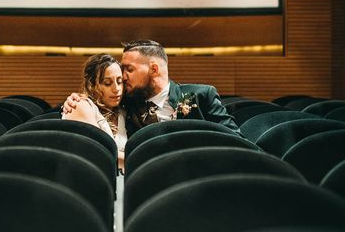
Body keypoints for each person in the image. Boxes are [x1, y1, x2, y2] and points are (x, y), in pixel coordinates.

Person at [65, 40, 240, 137]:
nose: (123, 76)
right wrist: (76, 98)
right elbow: (97, 98)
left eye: (129, 69)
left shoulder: (202, 95)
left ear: (154, 69)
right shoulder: (126, 100)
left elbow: (237, 140)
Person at [62, 53, 128, 170]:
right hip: (87, 176)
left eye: (119, 81)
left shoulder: (123, 111)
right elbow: (99, 152)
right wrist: (144, 161)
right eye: (107, 83)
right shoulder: (81, 105)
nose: (116, 89)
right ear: (91, 85)